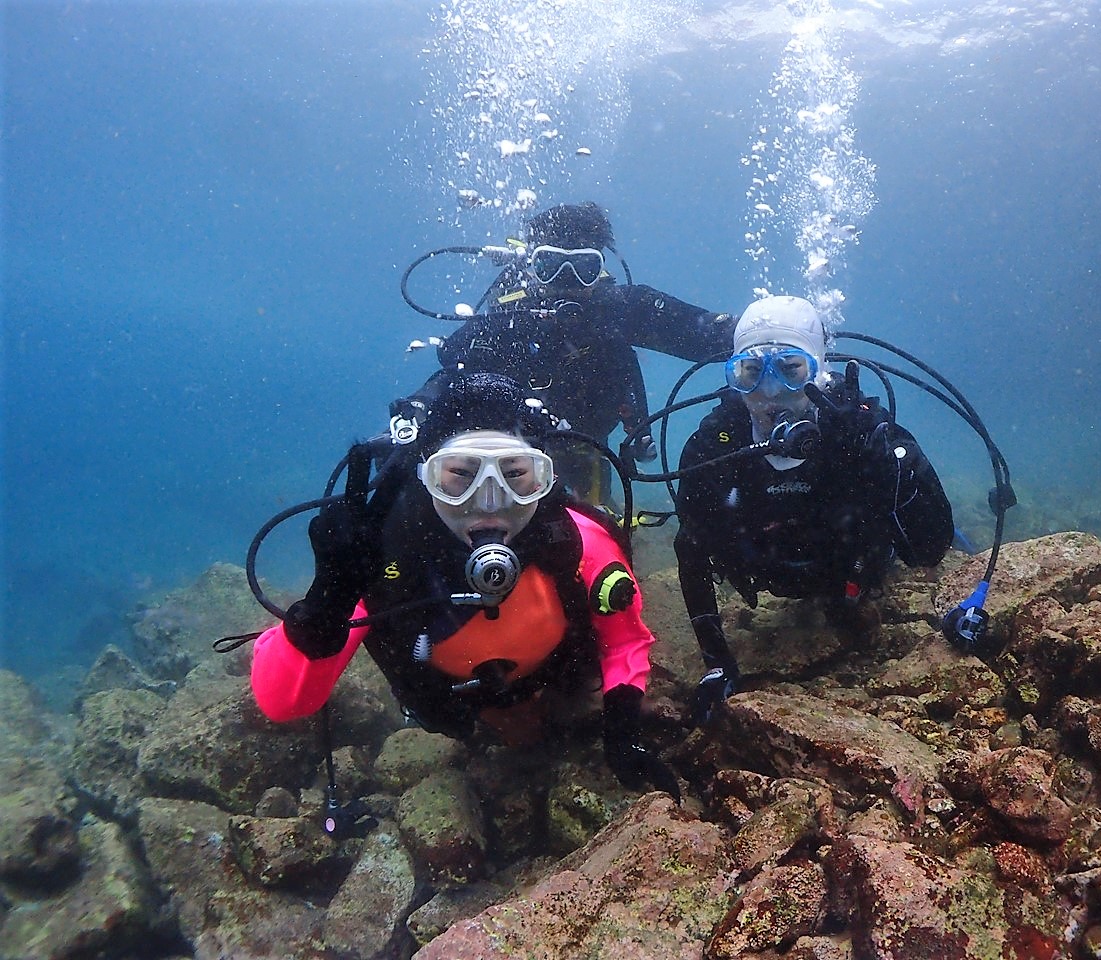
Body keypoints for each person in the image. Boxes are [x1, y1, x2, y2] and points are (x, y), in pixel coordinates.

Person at [249, 372, 678, 799]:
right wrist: (329, 599)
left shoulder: (575, 540)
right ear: (426, 476)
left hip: (555, 683)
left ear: (542, 479)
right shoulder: (384, 557)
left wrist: (622, 731)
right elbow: (283, 702)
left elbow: (624, 640)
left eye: (515, 474)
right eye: (459, 475)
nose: (490, 502)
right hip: (451, 706)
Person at [672, 296, 954, 724]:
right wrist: (717, 661)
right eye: (751, 372)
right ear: (734, 377)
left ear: (819, 369)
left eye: (790, 369)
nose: (769, 391)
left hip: (856, 575)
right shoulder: (715, 446)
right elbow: (690, 548)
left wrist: (893, 470)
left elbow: (930, 550)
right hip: (767, 575)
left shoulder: (862, 431)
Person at [426, 201, 735, 500]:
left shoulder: (620, 309)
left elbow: (711, 335)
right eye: (550, 265)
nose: (566, 281)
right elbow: (451, 365)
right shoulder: (506, 319)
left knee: (593, 529)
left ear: (599, 269)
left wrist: (769, 332)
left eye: (584, 267)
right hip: (507, 461)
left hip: (587, 452)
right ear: (531, 267)